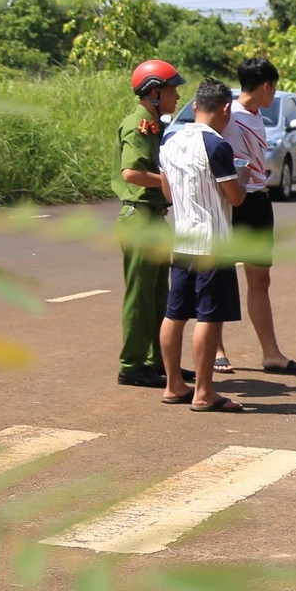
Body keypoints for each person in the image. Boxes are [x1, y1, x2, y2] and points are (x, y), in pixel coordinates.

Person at [157, 81, 248, 413]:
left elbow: (168, 193)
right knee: (209, 316)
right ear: (225, 109)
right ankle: (204, 391)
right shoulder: (217, 146)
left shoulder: (169, 141)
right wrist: (242, 178)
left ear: (195, 106)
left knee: (175, 313)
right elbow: (235, 197)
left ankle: (173, 385)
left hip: (182, 239)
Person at [216, 57, 296, 376]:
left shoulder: (256, 116)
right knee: (220, 275)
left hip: (257, 201)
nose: (273, 94)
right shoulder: (226, 113)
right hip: (230, 203)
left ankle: (271, 354)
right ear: (266, 85)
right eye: (274, 87)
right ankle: (217, 350)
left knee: (260, 279)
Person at [116, 58, 186, 388]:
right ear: (154, 92)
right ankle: (132, 365)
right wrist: (168, 181)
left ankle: (160, 362)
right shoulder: (139, 124)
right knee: (140, 295)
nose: (177, 98)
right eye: (172, 91)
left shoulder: (156, 124)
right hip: (140, 219)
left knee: (160, 295)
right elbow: (130, 172)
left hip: (155, 218)